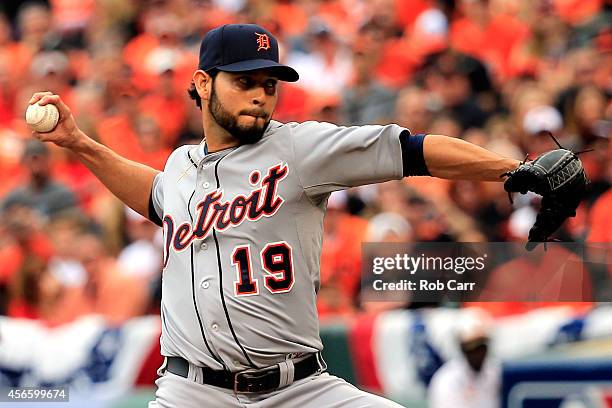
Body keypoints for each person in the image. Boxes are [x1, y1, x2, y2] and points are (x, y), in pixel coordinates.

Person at [29, 23, 521, 408]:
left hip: (299, 389)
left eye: (269, 83)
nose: (260, 94)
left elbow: (412, 151)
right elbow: (158, 197)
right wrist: (78, 143)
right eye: (244, 82)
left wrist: (514, 169)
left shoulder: (299, 147)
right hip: (193, 392)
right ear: (202, 83)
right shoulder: (180, 167)